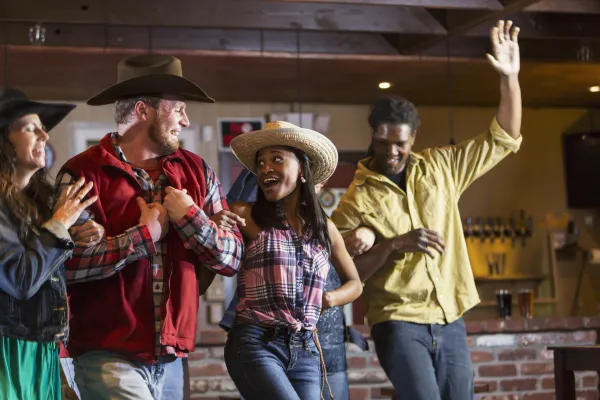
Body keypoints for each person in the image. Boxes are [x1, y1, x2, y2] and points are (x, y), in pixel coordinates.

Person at [331, 20, 523, 400]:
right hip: (398, 322)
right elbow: (345, 277)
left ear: (413, 137)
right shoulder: (356, 197)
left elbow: (504, 138)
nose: (391, 152)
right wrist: (392, 244)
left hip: (451, 318)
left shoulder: (441, 167)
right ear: (373, 134)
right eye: (383, 141)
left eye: (399, 143)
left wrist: (510, 78)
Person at [55, 54, 245, 399]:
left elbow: (231, 258)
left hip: (172, 358)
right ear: (143, 111)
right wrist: (143, 237)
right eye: (178, 109)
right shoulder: (82, 174)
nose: (185, 121)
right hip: (106, 355)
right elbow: (65, 267)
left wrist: (190, 218)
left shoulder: (198, 171)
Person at [222, 121, 363, 400]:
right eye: (260, 163)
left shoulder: (324, 227)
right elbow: (208, 245)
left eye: (277, 159)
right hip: (256, 342)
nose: (265, 168)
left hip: (306, 348)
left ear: (302, 171)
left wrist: (329, 299)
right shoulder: (244, 214)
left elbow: (355, 283)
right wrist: (216, 222)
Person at [0, 87, 100, 399]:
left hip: (43, 343)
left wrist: (89, 230)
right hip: (8, 348)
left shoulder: (41, 197)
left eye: (43, 127)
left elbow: (77, 228)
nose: (44, 135)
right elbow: (20, 279)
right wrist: (59, 225)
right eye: (29, 128)